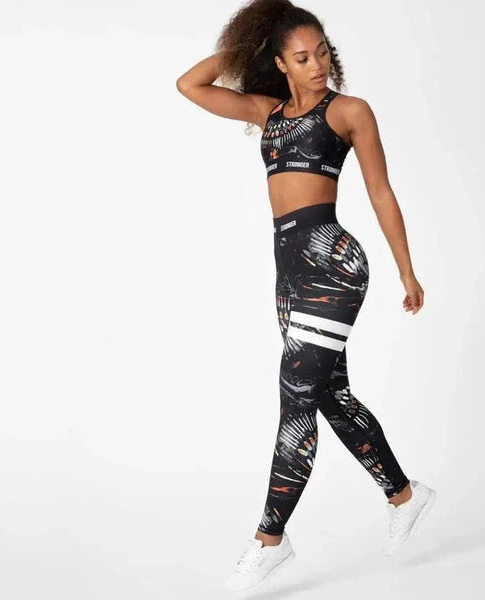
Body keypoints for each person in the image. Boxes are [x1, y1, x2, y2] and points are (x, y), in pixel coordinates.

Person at [177, 0, 436, 592]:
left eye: (322, 52)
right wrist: (251, 39)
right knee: (328, 395)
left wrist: (407, 272)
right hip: (289, 271)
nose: (317, 64)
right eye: (301, 57)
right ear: (279, 62)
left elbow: (381, 192)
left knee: (295, 398)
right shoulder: (265, 112)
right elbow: (190, 85)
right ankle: (405, 495)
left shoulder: (347, 111)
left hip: (332, 264)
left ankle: (271, 537)